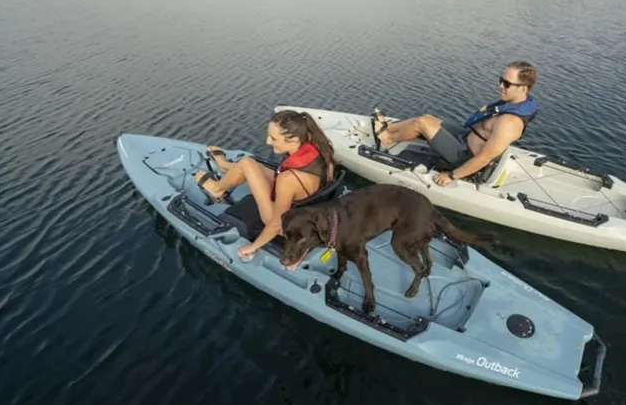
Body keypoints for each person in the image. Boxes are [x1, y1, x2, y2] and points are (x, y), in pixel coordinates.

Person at [194, 110, 335, 261]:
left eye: (273, 138)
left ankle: (217, 188)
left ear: (293, 140)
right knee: (251, 163)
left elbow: (276, 224)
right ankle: (226, 166)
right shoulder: (323, 153)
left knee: (247, 163)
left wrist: (252, 247)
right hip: (304, 205)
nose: (268, 141)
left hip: (281, 222)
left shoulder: (288, 179)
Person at [372, 61, 538, 186]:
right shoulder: (514, 102)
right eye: (501, 80)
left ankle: (387, 139)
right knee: (428, 117)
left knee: (422, 123)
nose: (501, 86)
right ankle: (390, 127)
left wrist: (451, 175)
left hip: (463, 156)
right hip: (466, 137)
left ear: (523, 88)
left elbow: (484, 158)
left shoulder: (510, 123)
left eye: (507, 84)